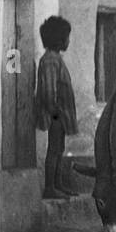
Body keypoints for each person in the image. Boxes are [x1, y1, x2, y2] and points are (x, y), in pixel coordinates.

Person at [35, 15, 78, 199]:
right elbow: (48, 90)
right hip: (55, 114)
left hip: (59, 114)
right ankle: (50, 188)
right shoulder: (51, 60)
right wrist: (55, 112)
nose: (68, 40)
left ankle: (57, 184)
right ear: (59, 38)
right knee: (54, 149)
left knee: (59, 148)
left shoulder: (56, 59)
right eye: (67, 37)